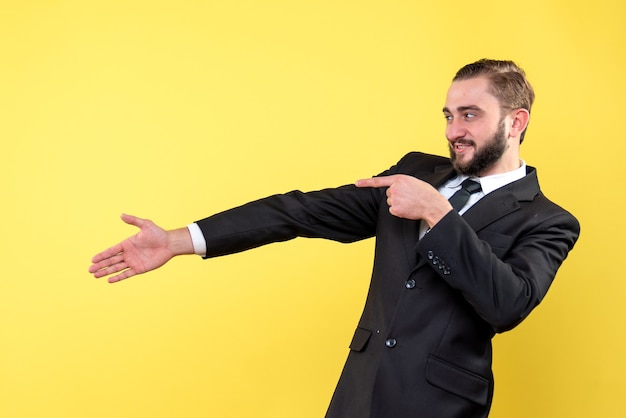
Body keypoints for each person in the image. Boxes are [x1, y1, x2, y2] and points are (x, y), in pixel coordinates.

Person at [88, 59, 580, 418]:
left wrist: (437, 213)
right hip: (358, 396)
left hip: (440, 405)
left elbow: (507, 303)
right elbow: (301, 210)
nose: (453, 130)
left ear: (516, 122)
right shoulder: (412, 172)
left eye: (469, 114)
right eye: (448, 115)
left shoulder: (548, 220)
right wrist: (180, 239)